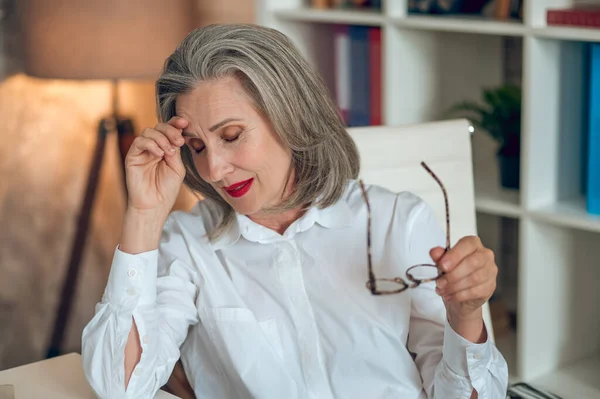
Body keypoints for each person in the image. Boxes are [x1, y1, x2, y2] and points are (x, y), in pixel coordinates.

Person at [81, 24, 508, 399]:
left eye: (230, 135)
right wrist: (143, 214)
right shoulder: (188, 245)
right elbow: (119, 388)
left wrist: (465, 315)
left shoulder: (398, 221)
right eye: (196, 147)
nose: (213, 169)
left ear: (291, 116)